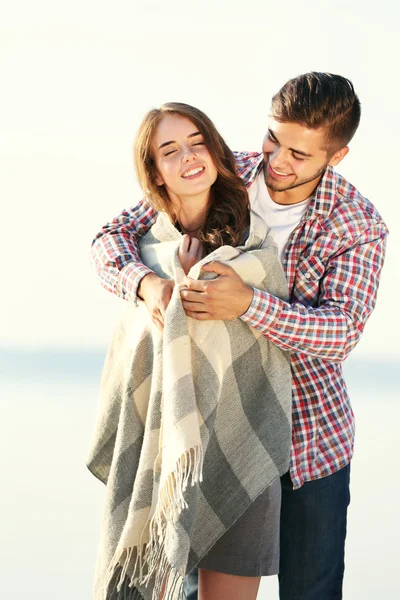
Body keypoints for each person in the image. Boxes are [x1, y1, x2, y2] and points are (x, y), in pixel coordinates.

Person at [90, 74, 389, 600]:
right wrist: (148, 284)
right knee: (176, 581)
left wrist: (250, 305)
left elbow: (341, 331)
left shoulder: (358, 224)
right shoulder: (225, 167)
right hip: (208, 423)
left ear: (336, 156)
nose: (277, 161)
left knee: (311, 591)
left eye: (299, 154)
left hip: (307, 438)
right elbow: (110, 238)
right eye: (274, 139)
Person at [88, 103, 292, 600]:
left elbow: (268, 341)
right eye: (170, 151)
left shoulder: (255, 245)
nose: (189, 157)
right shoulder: (143, 255)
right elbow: (104, 249)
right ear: (155, 173)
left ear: (217, 152)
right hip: (163, 460)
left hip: (242, 447)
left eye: (198, 142)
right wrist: (154, 285)